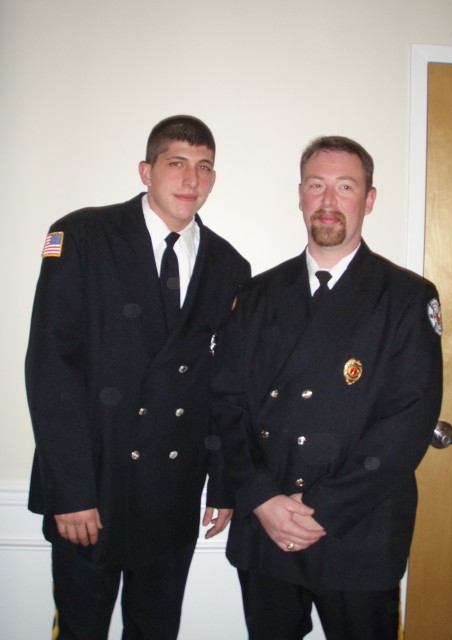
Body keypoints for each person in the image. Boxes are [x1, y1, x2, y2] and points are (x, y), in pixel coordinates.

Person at [25, 115, 251, 639]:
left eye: (204, 167)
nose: (191, 179)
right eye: (176, 163)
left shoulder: (228, 266)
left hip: (170, 493)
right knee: (81, 630)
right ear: (146, 171)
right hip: (93, 488)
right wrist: (72, 490)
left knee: (155, 631)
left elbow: (224, 385)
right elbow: (50, 367)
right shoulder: (80, 236)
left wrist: (224, 481)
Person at [212, 135, 443, 640]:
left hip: (358, 528)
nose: (329, 201)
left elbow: (409, 420)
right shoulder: (257, 295)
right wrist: (262, 498)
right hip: (266, 525)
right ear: (300, 196)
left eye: (345, 186)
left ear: (369, 199)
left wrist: (322, 513)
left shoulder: (406, 298)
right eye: (317, 186)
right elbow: (227, 403)